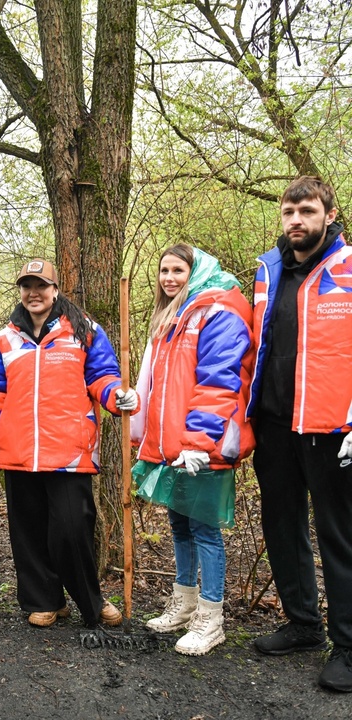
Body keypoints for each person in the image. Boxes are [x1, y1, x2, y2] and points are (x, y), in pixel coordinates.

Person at [0, 259, 137, 630]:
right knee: (27, 532)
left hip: (69, 449)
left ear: (55, 290)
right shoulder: (4, 338)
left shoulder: (83, 329)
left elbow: (102, 376)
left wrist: (116, 396)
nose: (34, 293)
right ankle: (44, 600)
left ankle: (90, 601)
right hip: (18, 452)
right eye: (27, 286)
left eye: (41, 286)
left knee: (71, 530)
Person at [248, 176, 352, 692]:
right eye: (288, 212)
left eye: (306, 210)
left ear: (329, 215)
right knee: (282, 529)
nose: (295, 220)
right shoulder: (268, 271)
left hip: (332, 427)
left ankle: (350, 648)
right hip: (273, 424)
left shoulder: (348, 269)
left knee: (340, 537)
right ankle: (304, 625)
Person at [130, 245, 254, 654]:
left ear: (195, 271)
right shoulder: (175, 317)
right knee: (180, 525)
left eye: (177, 270)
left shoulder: (219, 309)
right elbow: (163, 389)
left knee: (204, 529)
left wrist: (199, 442)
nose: (168, 278)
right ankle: (184, 602)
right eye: (163, 270)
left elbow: (219, 381)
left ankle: (210, 615)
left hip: (205, 445)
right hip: (175, 446)